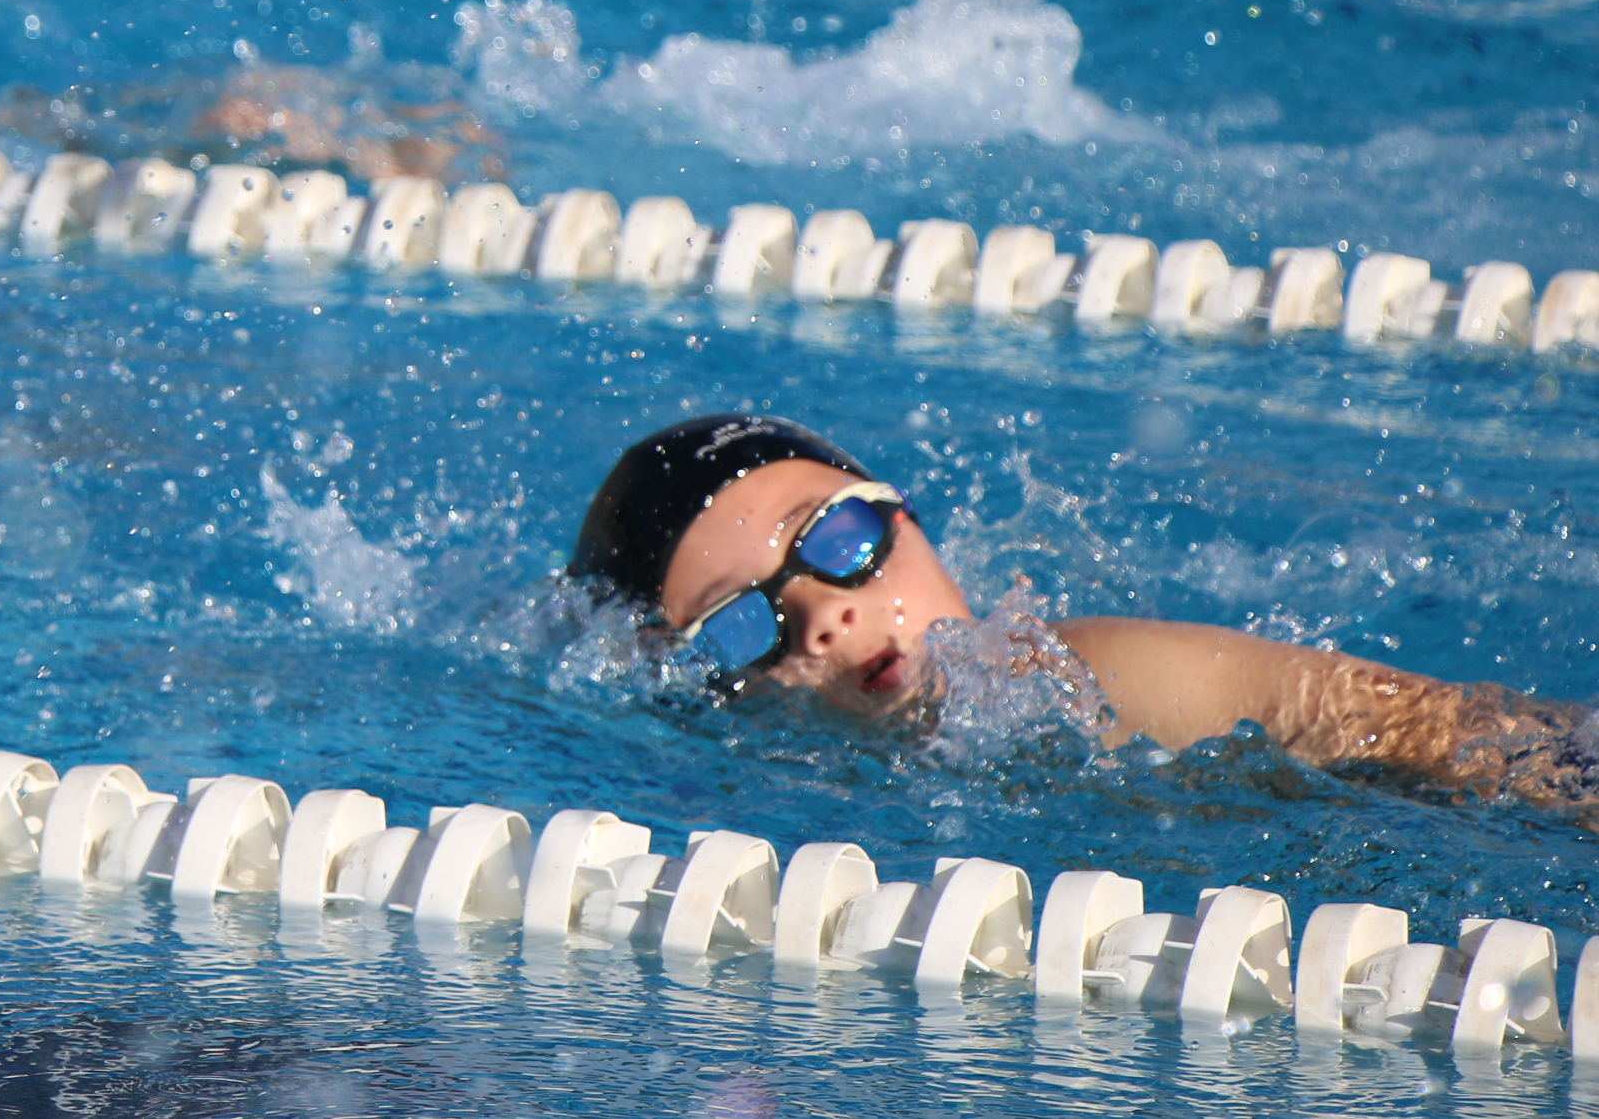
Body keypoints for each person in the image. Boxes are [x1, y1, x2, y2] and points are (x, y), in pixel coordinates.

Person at [571, 413, 1594, 811]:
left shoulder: (1090, 675)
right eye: (745, 624)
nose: (825, 620)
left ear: (906, 516)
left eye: (839, 542)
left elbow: (1459, 734)